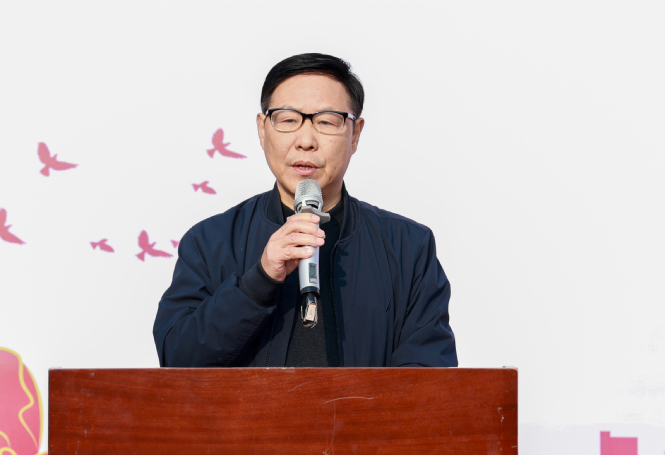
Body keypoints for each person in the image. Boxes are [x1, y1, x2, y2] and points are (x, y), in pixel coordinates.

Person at [153, 53, 457, 367]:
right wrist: (258, 281)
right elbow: (177, 360)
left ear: (355, 134)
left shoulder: (409, 247)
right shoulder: (210, 241)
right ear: (262, 130)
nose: (306, 141)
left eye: (327, 121)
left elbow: (427, 376)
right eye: (288, 120)